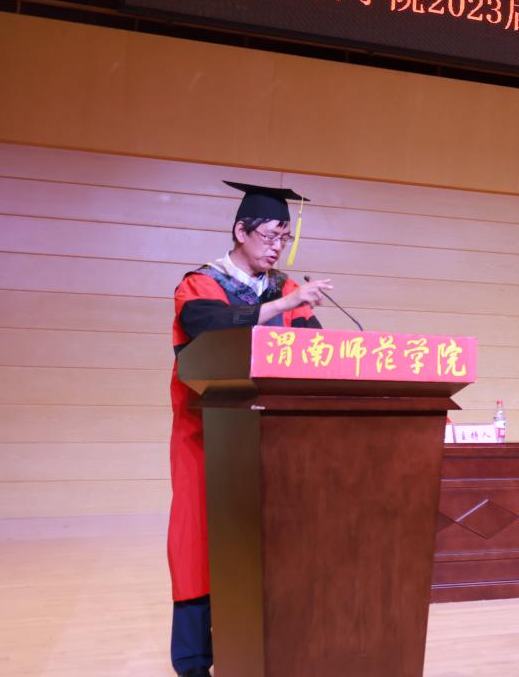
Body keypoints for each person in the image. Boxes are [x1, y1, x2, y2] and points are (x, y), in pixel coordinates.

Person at [167, 181, 334, 677]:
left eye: (285, 237)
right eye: (270, 235)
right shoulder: (200, 284)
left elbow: (315, 353)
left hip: (275, 441)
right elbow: (209, 327)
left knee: (270, 542)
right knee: (199, 542)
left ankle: (266, 652)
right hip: (207, 437)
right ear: (241, 231)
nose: (278, 246)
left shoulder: (286, 289)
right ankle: (195, 663)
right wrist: (282, 307)